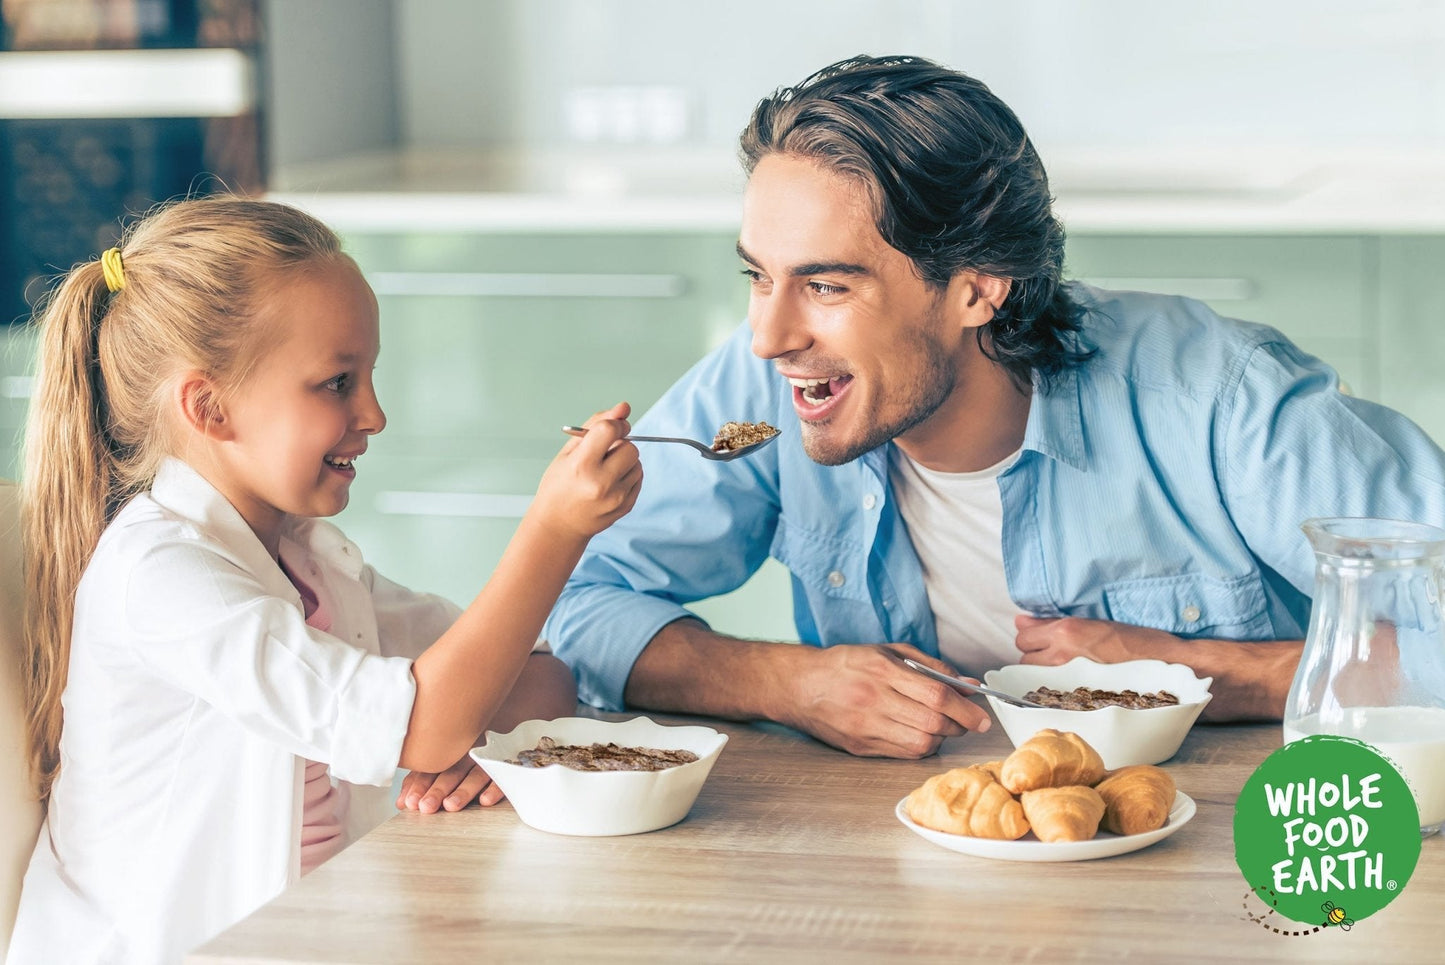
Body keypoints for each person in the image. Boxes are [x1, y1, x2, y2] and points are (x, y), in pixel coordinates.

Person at [544, 54, 1445, 759]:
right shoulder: (766, 387)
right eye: (757, 275)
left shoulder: (1220, 397)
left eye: (824, 283)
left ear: (978, 290)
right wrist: (783, 682)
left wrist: (1208, 672)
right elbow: (577, 607)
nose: (769, 334)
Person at [8, 197, 642, 964]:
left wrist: (479, 752)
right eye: (337, 382)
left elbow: (537, 675)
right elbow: (429, 721)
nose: (374, 412)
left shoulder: (309, 560)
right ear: (209, 407)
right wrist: (555, 531)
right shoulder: (163, 578)